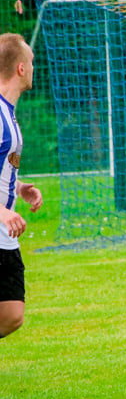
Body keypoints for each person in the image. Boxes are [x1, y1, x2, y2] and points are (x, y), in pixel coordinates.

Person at [0, 33, 43, 339]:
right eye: (30, 61)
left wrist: (19, 187)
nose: (33, 65)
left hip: (4, 235)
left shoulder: (9, 114)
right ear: (20, 68)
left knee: (12, 314)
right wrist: (2, 212)